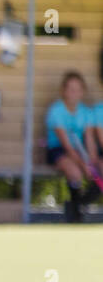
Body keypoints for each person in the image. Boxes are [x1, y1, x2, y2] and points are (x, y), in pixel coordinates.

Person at [46, 71, 99, 222]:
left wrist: (92, 162)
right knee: (75, 172)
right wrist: (84, 165)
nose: (74, 93)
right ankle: (75, 211)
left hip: (80, 150)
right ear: (64, 91)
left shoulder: (86, 112)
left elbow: (89, 139)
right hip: (58, 149)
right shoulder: (56, 111)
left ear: (83, 92)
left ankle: (76, 207)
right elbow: (67, 146)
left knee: (97, 173)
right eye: (70, 89)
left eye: (77, 89)